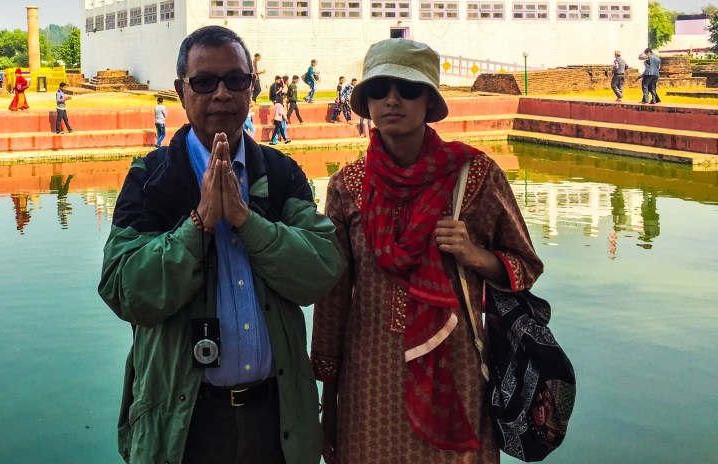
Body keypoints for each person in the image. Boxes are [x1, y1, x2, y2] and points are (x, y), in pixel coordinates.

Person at [99, 25, 346, 464]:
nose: (221, 94)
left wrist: (248, 223)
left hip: (276, 418)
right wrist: (197, 226)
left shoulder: (278, 172)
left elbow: (321, 270)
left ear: (251, 87)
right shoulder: (153, 179)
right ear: (180, 90)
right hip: (186, 422)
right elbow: (125, 290)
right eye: (204, 82)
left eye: (235, 80)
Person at [310, 39, 543, 464]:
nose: (392, 100)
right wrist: (330, 399)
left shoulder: (474, 176)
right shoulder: (347, 185)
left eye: (407, 89)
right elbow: (334, 296)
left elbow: (526, 265)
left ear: (429, 101)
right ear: (366, 101)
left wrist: (476, 256)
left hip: (456, 376)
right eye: (380, 89)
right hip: (368, 379)